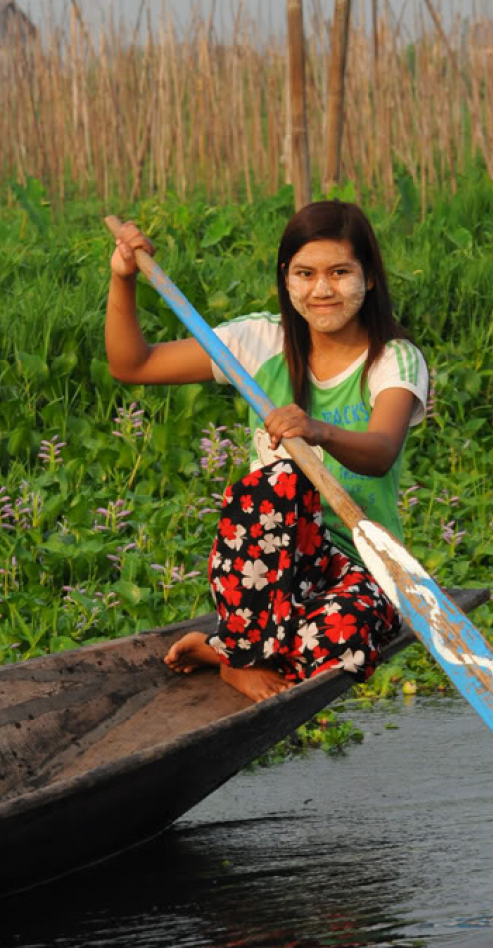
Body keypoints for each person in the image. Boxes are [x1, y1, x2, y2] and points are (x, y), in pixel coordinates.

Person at [106, 200, 428, 702]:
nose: (322, 290)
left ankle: (225, 649)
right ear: (286, 278)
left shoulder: (394, 360)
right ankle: (241, 660)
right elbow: (134, 364)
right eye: (305, 274)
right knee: (280, 481)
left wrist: (318, 431)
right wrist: (123, 279)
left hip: (356, 566)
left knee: (347, 637)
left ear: (369, 278)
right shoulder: (260, 341)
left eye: (340, 272)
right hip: (270, 572)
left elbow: (381, 450)